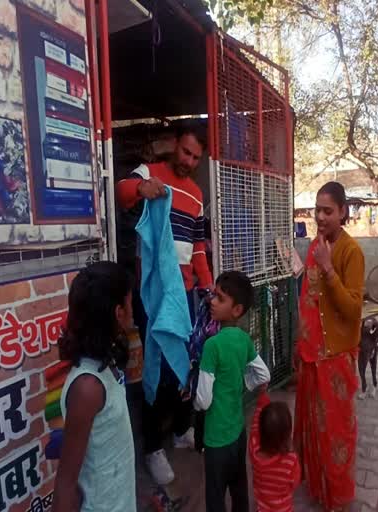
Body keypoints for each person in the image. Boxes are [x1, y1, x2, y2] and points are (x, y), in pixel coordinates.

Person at [116, 127, 214, 484]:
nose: (188, 161)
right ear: (175, 146)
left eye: (195, 158)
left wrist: (207, 286)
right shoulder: (150, 171)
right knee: (156, 366)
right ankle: (153, 448)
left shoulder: (197, 193)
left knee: (186, 361)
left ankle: (181, 430)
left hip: (186, 291)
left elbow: (199, 245)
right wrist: (142, 189)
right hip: (154, 293)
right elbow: (121, 193)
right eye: (185, 152)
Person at [293, 181, 364, 511]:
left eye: (328, 211)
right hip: (311, 353)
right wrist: (300, 339)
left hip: (335, 356)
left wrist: (328, 267)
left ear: (343, 212)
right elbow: (308, 298)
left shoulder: (351, 252)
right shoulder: (315, 246)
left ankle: (338, 498)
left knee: (336, 433)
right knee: (313, 431)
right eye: (317, 210)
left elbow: (352, 309)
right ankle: (318, 488)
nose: (320, 217)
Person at [51, 262, 136, 512]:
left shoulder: (105, 364)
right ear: (119, 312)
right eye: (130, 302)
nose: (134, 309)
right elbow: (66, 484)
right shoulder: (87, 387)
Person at [194, 271, 271, 512]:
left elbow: (204, 402)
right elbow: (264, 375)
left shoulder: (212, 345)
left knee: (216, 497)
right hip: (238, 433)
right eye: (214, 296)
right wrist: (241, 384)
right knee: (239, 490)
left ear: (236, 310)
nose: (212, 302)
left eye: (220, 298)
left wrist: (194, 403)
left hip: (216, 439)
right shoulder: (243, 339)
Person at [249, 389, 300, 512]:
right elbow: (294, 483)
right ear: (287, 434)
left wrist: (262, 397)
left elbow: (255, 424)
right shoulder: (291, 460)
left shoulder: (254, 450)